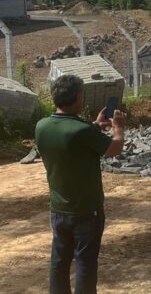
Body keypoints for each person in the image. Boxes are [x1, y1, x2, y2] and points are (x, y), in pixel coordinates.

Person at [35, 75, 126, 294]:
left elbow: (70, 136)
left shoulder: (42, 126)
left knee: (59, 260)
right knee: (85, 262)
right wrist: (118, 128)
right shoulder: (82, 131)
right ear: (77, 97)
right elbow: (114, 149)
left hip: (58, 209)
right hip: (86, 210)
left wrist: (95, 125)